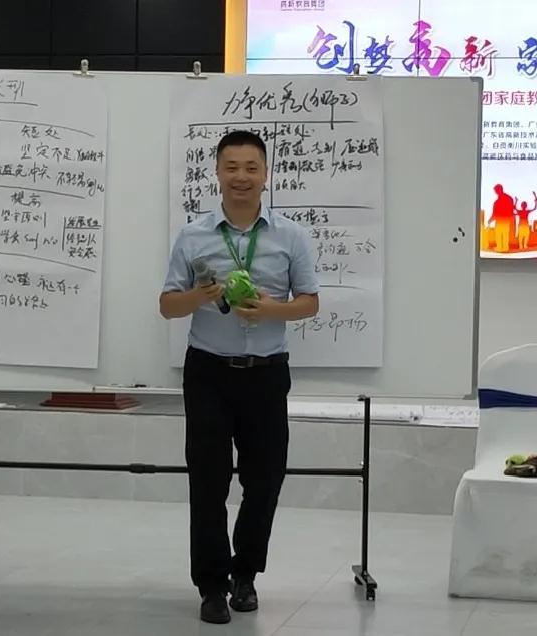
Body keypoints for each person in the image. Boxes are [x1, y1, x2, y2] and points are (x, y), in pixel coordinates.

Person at [159, 130, 320, 624]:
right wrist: (200, 296)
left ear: (266, 174)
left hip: (266, 374)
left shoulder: (290, 236)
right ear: (217, 173)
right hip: (208, 372)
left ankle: (245, 575)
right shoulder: (193, 235)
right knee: (208, 482)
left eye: (251, 167)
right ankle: (211, 586)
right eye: (232, 167)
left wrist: (273, 309)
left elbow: (309, 303)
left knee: (265, 479)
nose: (241, 177)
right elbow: (168, 306)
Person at [488, 184, 515, 253]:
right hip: (506, 220)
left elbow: (494, 213)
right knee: (505, 234)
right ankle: (505, 248)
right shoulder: (509, 198)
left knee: (499, 234)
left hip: (499, 220)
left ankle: (500, 247)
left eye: (495, 191)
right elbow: (512, 209)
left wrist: (490, 220)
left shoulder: (496, 202)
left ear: (498, 190)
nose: (495, 192)